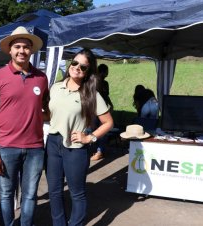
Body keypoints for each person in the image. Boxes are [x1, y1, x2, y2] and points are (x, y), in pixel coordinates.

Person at [0, 26, 49, 226]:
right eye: (18, 47)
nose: (22, 51)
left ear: (32, 50)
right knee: (5, 195)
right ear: (10, 50)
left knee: (30, 196)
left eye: (26, 47)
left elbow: (46, 109)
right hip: (6, 147)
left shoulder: (41, 77)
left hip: (35, 148)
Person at [46, 48, 114, 226]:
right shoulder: (55, 87)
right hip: (53, 144)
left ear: (87, 72)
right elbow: (49, 115)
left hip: (75, 148)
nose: (77, 68)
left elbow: (108, 122)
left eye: (83, 67)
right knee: (54, 191)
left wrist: (89, 138)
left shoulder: (91, 94)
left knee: (77, 193)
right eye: (75, 63)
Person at [91, 63, 113, 161]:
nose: (107, 74)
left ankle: (99, 151)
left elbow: (105, 95)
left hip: (102, 110)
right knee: (94, 130)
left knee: (102, 130)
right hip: (93, 109)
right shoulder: (94, 81)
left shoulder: (105, 83)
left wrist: (110, 104)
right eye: (106, 71)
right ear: (102, 72)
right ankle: (95, 150)